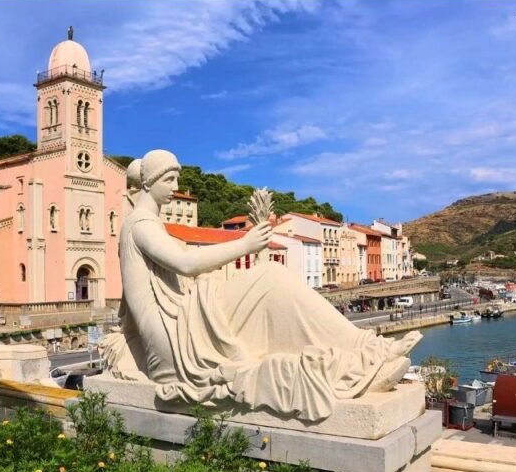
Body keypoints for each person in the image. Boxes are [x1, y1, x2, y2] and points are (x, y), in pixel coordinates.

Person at [101, 150, 420, 421]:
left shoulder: (146, 225)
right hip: (175, 337)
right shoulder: (141, 224)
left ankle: (365, 352)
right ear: (149, 182)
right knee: (271, 278)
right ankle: (365, 354)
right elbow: (185, 264)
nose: (176, 187)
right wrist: (246, 243)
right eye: (169, 179)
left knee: (271, 279)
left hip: (184, 319)